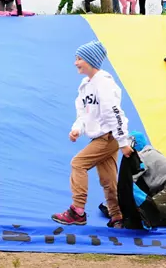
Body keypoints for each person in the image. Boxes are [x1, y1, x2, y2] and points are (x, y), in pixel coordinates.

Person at [51, 40, 133, 228]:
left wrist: (123, 141)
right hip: (101, 136)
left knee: (78, 163)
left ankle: (77, 211)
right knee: (108, 179)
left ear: (90, 60)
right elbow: (84, 112)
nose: (75, 62)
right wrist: (77, 129)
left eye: (79, 58)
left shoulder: (103, 83)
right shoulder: (85, 85)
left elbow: (114, 112)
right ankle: (117, 215)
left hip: (109, 136)